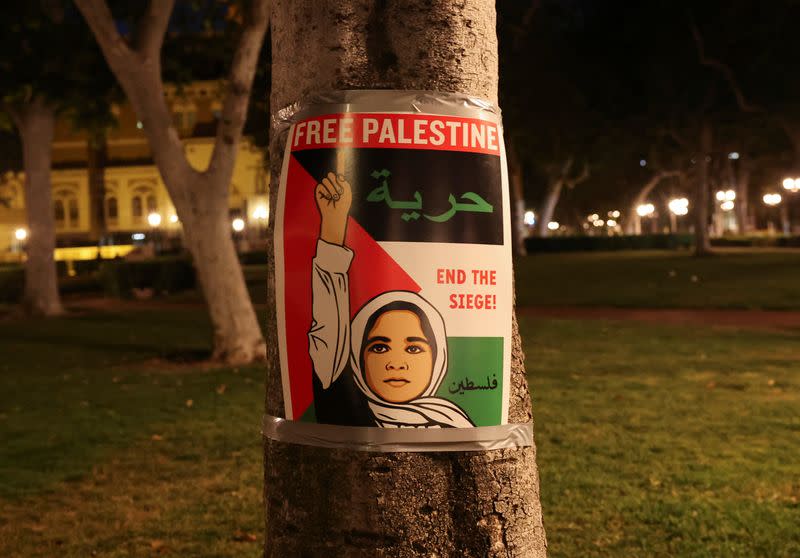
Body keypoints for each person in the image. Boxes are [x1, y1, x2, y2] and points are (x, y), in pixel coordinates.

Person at [308, 172, 473, 428]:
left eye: (414, 348)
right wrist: (333, 223)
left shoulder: (454, 422)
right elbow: (329, 328)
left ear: (437, 357)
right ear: (359, 356)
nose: (396, 363)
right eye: (379, 347)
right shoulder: (345, 410)